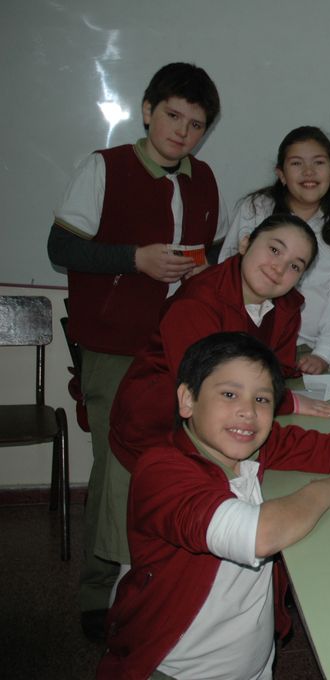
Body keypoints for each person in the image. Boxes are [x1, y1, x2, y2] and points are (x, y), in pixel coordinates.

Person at [97, 332, 330, 678]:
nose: (247, 411)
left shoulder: (252, 446)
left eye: (262, 399)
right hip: (172, 668)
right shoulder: (162, 471)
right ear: (187, 399)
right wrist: (323, 492)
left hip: (250, 663)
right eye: (229, 394)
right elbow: (258, 535)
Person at [45, 62, 227, 635]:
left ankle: (158, 579)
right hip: (114, 344)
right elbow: (60, 248)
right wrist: (135, 259)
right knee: (116, 466)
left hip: (180, 345)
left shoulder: (205, 179)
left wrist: (202, 267)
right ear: (147, 111)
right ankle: (98, 594)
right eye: (173, 116)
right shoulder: (105, 167)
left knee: (175, 462)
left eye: (196, 125)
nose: (182, 132)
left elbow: (209, 250)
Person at [104, 215, 330, 577]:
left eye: (295, 265)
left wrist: (284, 394)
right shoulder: (199, 300)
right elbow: (207, 386)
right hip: (154, 430)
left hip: (214, 437)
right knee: (145, 560)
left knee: (211, 545)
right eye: (274, 250)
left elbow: (274, 370)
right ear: (245, 243)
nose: (279, 268)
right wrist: (288, 402)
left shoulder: (286, 307)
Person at [219, 126, 330, 374]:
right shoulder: (255, 209)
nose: (308, 172)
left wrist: (324, 353)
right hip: (248, 343)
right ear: (281, 174)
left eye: (319, 162)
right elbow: (228, 277)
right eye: (296, 163)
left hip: (314, 348)